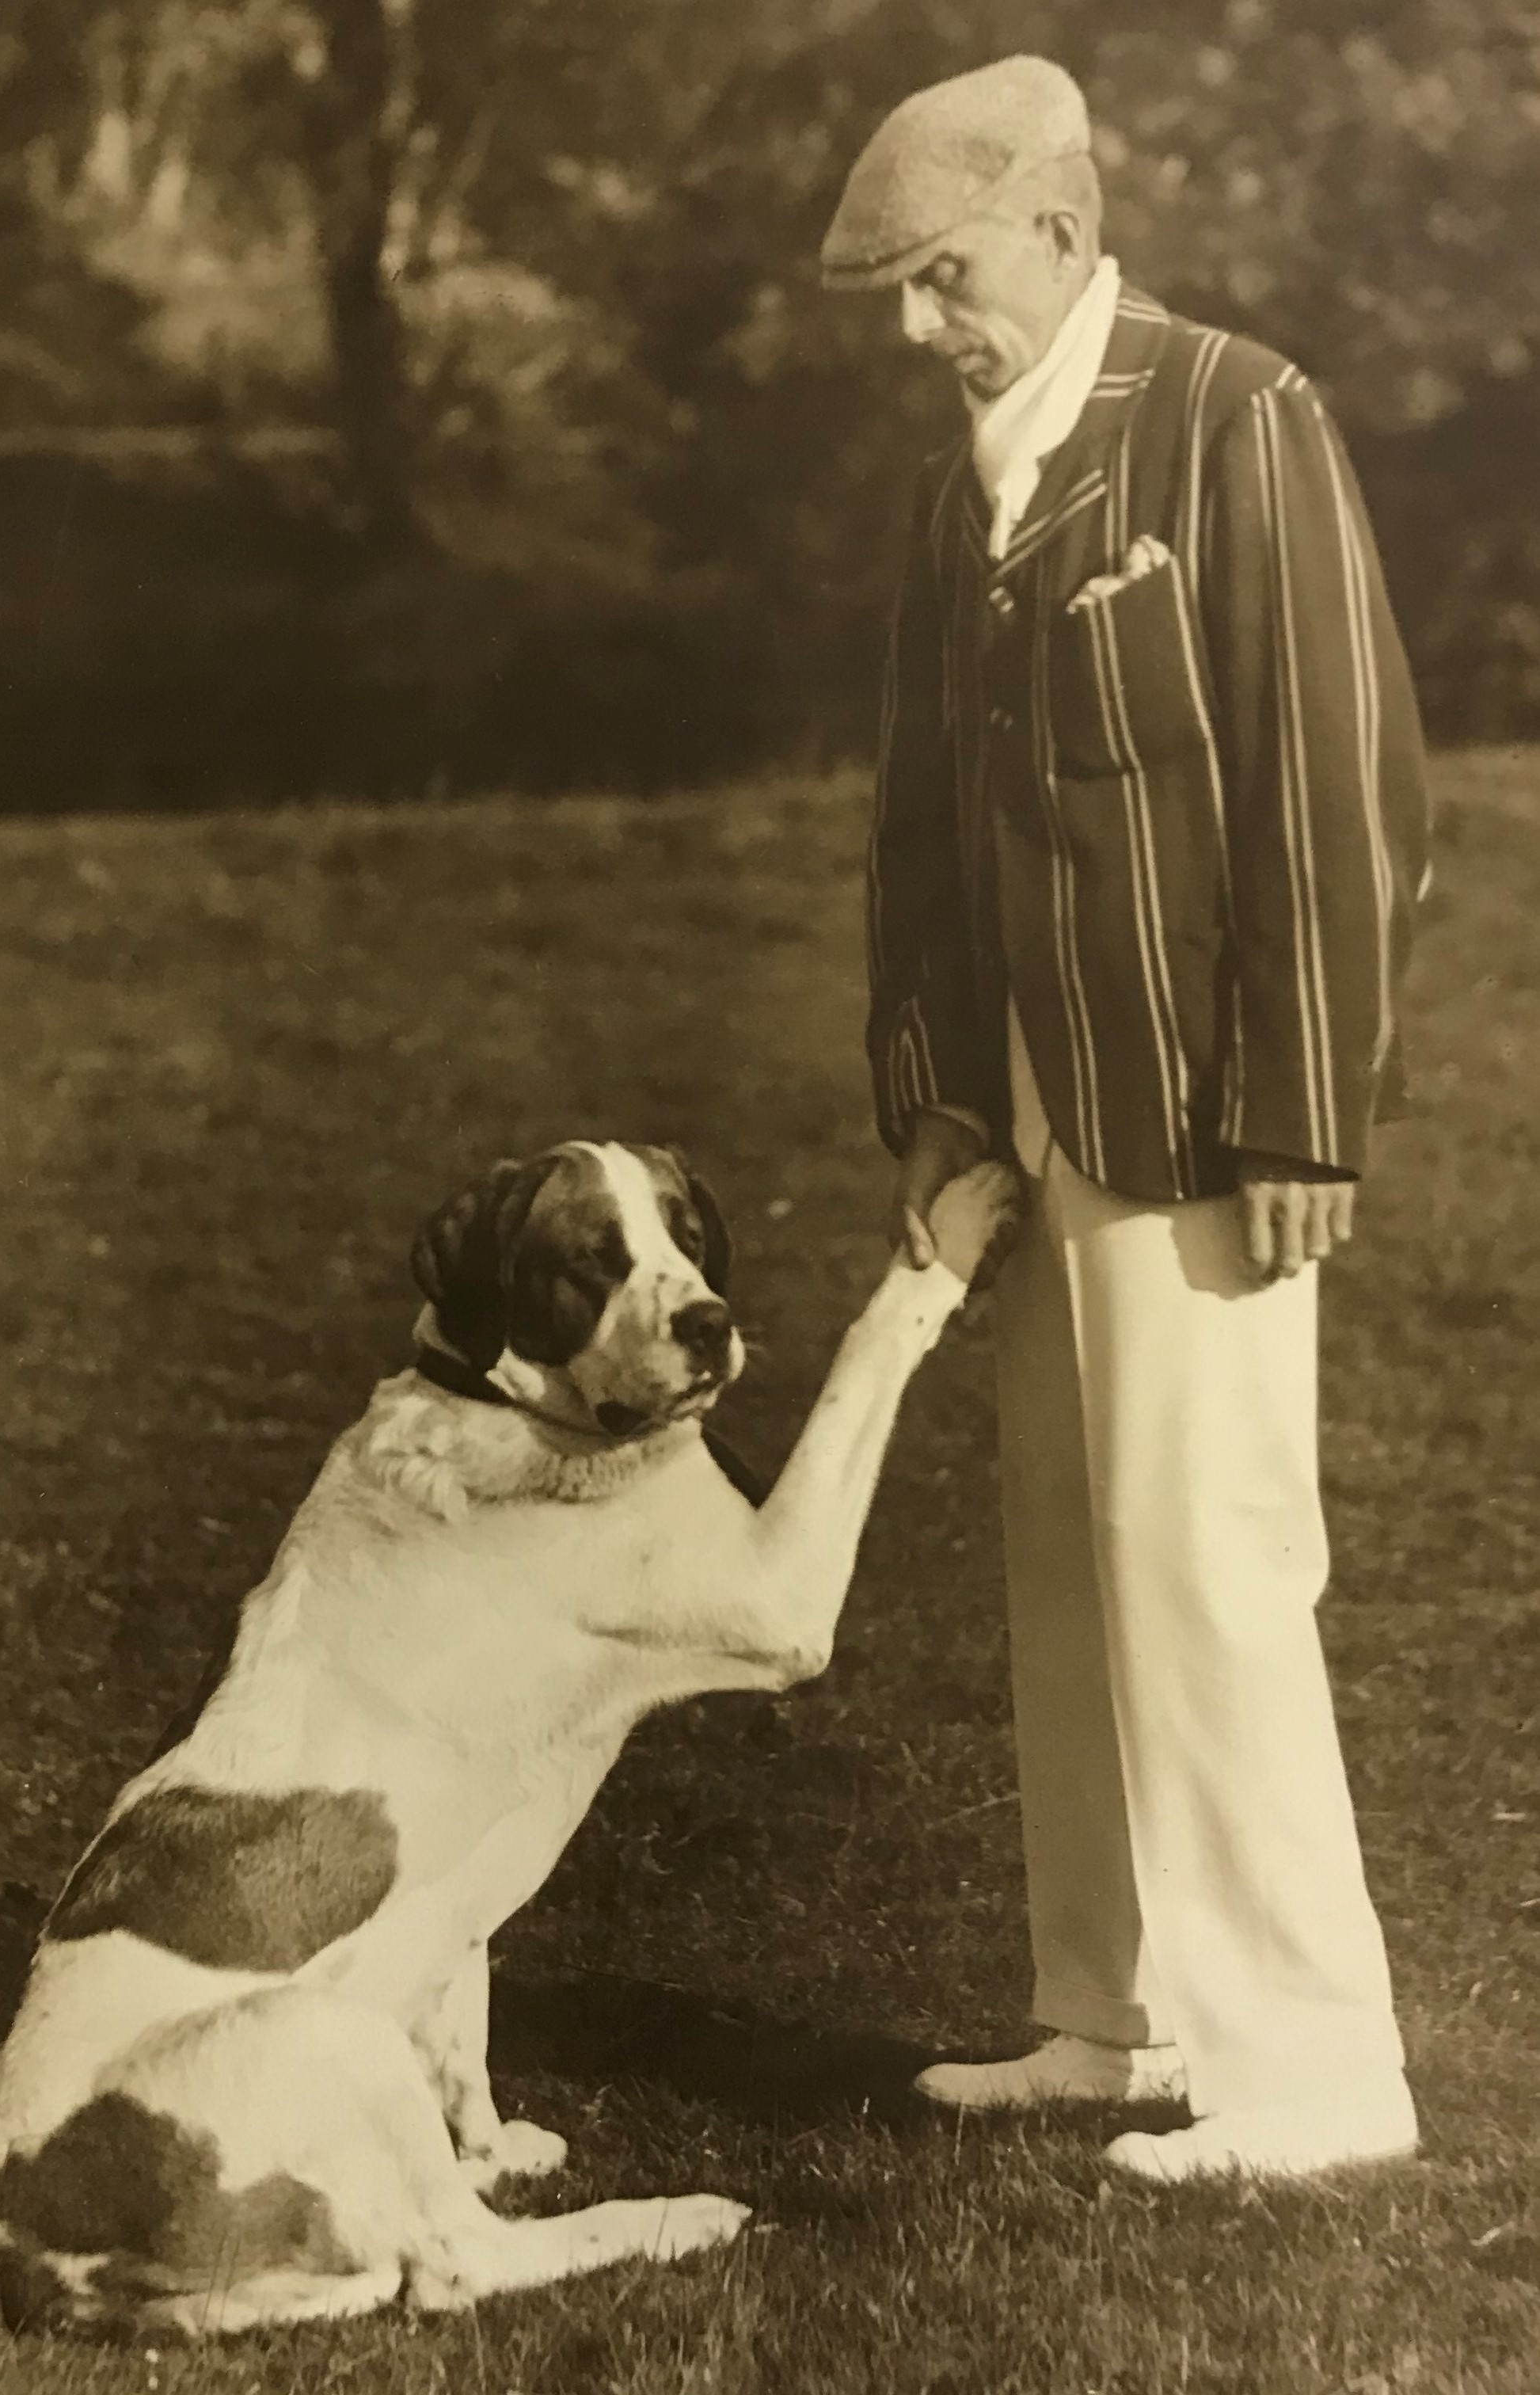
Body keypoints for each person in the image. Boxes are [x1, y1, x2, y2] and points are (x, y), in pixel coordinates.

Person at [819, 55, 1431, 2182]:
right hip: (1027, 1128)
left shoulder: (1233, 414)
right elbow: (919, 826)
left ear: (1061, 235)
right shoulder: (954, 487)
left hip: (1197, 1123)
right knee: (1071, 1576)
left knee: (1210, 1564)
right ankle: (1112, 2021)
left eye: (938, 277)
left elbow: (1336, 791)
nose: (915, 328)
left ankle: (1309, 2075)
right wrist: (927, 1088)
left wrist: (1299, 1115)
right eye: (891, 293)